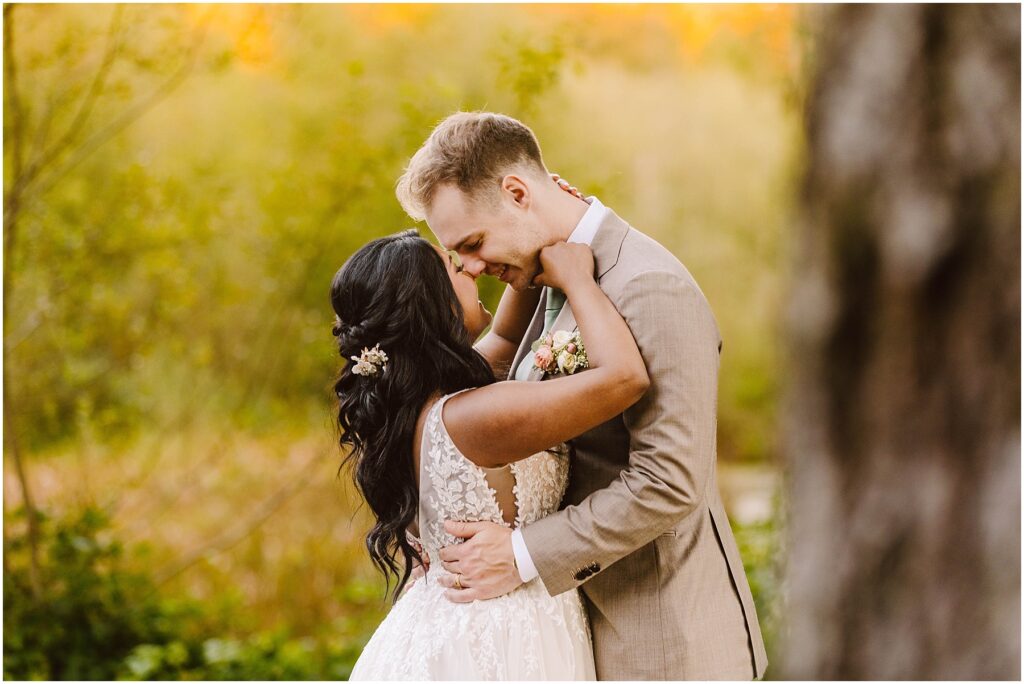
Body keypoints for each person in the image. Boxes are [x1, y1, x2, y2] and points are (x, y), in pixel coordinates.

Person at [395, 111, 769, 680]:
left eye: (472, 243)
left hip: (663, 641)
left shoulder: (648, 287)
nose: (469, 267)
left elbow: (671, 481)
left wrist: (519, 555)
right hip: (569, 638)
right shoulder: (542, 279)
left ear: (517, 193)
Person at [330, 227, 650, 679]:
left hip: (445, 625)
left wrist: (526, 237)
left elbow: (504, 332)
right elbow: (623, 379)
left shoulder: (413, 407)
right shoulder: (475, 418)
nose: (475, 271)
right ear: (434, 303)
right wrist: (578, 281)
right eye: (458, 268)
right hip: (500, 639)